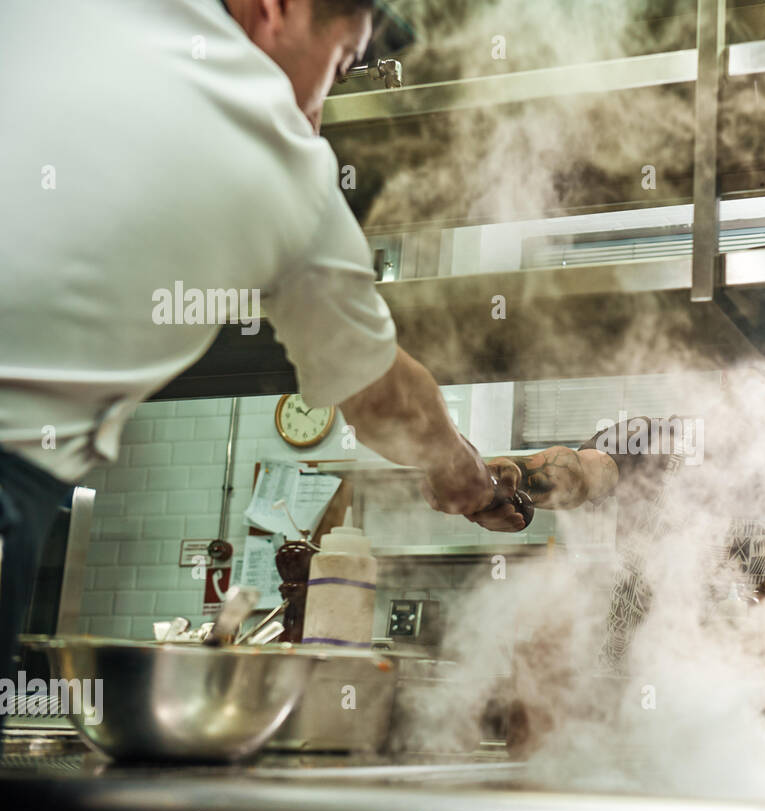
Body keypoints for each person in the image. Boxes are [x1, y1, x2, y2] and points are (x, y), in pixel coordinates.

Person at [0, 0, 497, 714]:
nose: (323, 103)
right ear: (277, 8)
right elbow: (385, 400)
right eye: (340, 65)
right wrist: (467, 478)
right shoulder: (279, 146)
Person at [471, 363, 765, 712]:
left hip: (738, 718)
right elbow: (579, 471)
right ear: (728, 377)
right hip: (635, 699)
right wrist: (511, 480)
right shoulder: (652, 440)